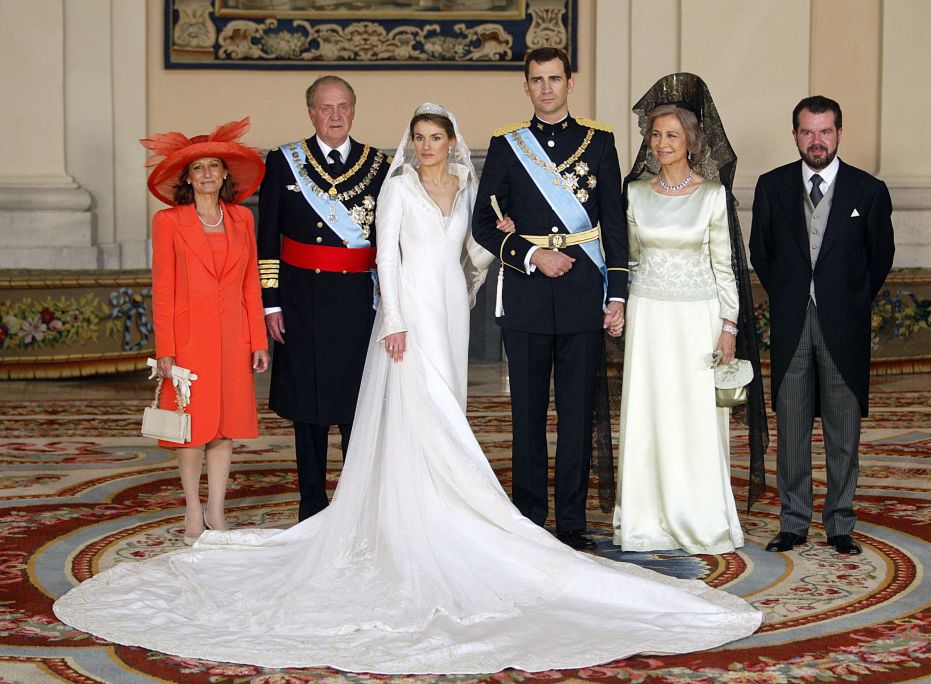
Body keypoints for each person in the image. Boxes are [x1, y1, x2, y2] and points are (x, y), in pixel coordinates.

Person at [53, 104, 761, 675]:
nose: (426, 146)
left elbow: (478, 244)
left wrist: (504, 241)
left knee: (446, 405)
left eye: (436, 137)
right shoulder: (391, 187)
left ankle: (447, 497)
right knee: (414, 410)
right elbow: (383, 261)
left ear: (450, 142)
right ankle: (413, 508)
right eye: (418, 137)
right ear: (410, 142)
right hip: (407, 315)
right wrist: (391, 319)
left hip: (450, 304)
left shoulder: (466, 184)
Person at [472, 47, 629, 550]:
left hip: (584, 292)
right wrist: (532, 255)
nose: (546, 88)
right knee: (528, 417)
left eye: (554, 79)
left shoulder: (599, 142)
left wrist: (618, 293)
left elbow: (615, 224)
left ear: (570, 83)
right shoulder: (506, 144)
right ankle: (529, 519)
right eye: (536, 80)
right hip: (528, 294)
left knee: (578, 415)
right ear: (525, 86)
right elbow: (481, 223)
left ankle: (573, 522)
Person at [614, 74, 768, 555]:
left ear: (692, 141)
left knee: (695, 418)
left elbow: (726, 267)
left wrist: (728, 329)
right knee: (648, 414)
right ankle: (645, 518)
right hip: (649, 318)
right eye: (656, 135)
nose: (662, 144)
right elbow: (633, 259)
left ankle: (701, 517)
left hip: (698, 320)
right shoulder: (635, 193)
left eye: (672, 135)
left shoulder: (713, 195)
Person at [749, 95, 895, 555]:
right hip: (792, 324)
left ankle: (840, 524)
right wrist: (792, 296)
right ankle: (792, 522)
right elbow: (762, 253)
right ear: (795, 135)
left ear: (838, 133)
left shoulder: (868, 191)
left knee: (842, 428)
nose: (817, 141)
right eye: (808, 132)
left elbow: (880, 257)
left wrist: (848, 300)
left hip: (843, 328)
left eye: (825, 131)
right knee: (791, 426)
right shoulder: (771, 187)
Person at [257, 75, 390, 521]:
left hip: (357, 305)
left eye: (343, 107)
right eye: (325, 107)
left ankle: (353, 506)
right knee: (308, 411)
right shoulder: (284, 162)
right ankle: (311, 507)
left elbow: (389, 242)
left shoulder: (378, 166)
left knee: (357, 407)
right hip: (302, 303)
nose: (335, 116)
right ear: (311, 112)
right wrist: (270, 303)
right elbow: (268, 238)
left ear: (354, 110)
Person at [141, 117, 270, 543]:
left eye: (214, 165)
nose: (208, 174)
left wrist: (257, 339)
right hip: (189, 338)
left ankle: (216, 509)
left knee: (226, 424)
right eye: (199, 168)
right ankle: (192, 510)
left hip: (233, 337)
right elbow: (163, 289)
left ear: (225, 173)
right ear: (188, 178)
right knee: (191, 427)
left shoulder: (240, 221)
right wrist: (167, 349)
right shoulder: (169, 222)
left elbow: (251, 283)